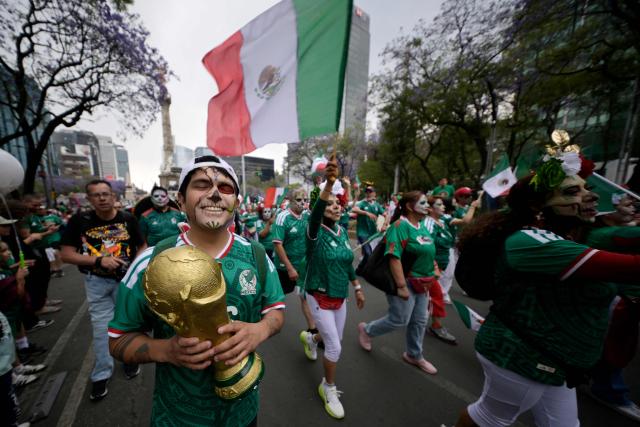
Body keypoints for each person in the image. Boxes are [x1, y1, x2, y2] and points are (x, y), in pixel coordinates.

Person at [452, 150, 640, 427]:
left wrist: (612, 219)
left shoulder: (577, 234)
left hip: (559, 364)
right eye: (572, 191)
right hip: (521, 358)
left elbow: (623, 239)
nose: (590, 196)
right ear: (539, 206)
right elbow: (624, 266)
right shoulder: (527, 241)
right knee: (490, 417)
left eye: (586, 188)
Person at [108, 155, 285, 426]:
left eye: (225, 188)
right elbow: (118, 340)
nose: (214, 194)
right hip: (178, 418)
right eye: (202, 185)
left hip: (244, 413)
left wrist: (259, 330)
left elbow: (275, 312)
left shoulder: (257, 255)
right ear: (180, 200)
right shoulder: (151, 263)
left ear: (236, 203)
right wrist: (165, 350)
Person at [60, 179, 145, 402]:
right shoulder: (79, 221)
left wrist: (134, 268)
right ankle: (101, 374)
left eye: (106, 194)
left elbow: (142, 245)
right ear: (89, 199)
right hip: (96, 282)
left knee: (128, 323)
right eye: (96, 195)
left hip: (125, 282)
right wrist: (99, 261)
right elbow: (66, 254)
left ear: (114, 197)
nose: (102, 198)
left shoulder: (127, 219)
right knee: (101, 329)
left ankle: (129, 359)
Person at [298, 155, 365, 419]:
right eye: (330, 205)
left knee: (328, 339)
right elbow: (316, 214)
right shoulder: (314, 232)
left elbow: (348, 263)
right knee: (335, 348)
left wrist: (357, 287)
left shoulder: (340, 236)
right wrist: (329, 185)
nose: (336, 208)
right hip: (319, 295)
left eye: (338, 205)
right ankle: (328, 386)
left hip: (341, 297)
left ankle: (311, 339)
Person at [357, 191, 438, 375]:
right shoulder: (400, 226)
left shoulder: (422, 226)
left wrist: (434, 269)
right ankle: (367, 330)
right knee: (400, 319)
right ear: (409, 206)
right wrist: (401, 286)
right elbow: (394, 257)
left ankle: (414, 355)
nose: (427, 206)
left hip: (423, 284)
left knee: (419, 320)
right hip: (406, 282)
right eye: (423, 203)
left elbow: (427, 249)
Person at [272, 189, 317, 333]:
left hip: (303, 266)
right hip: (284, 267)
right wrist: (290, 268)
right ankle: (263, 315)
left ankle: (313, 330)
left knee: (305, 297)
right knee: (277, 296)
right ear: (290, 201)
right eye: (299, 200)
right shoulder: (282, 217)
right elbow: (278, 244)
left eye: (305, 200)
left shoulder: (306, 216)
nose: (303, 203)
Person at [424, 196, 456, 344]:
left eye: (443, 205)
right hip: (428, 268)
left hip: (438, 269)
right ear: (430, 209)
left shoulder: (443, 222)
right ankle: (435, 326)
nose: (443, 207)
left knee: (429, 296)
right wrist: (434, 267)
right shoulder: (429, 223)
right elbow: (427, 247)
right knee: (435, 295)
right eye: (439, 205)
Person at [353, 185, 386, 271]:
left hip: (373, 233)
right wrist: (366, 213)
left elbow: (386, 215)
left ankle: (363, 269)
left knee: (371, 254)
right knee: (368, 253)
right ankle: (360, 269)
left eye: (370, 192)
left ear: (374, 194)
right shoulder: (362, 203)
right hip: (362, 232)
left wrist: (384, 225)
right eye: (367, 192)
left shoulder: (377, 205)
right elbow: (354, 209)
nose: (368, 193)